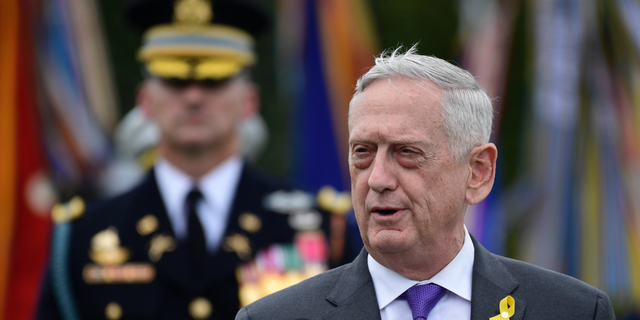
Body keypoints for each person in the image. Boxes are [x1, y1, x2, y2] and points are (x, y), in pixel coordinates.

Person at [235, 46, 616, 320]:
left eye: (407, 153)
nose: (378, 179)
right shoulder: (273, 317)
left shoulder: (573, 311)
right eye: (363, 152)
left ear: (478, 171)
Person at [36, 0, 330, 319]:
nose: (193, 97)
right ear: (145, 100)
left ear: (248, 101)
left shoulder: (320, 229)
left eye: (213, 80)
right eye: (174, 80)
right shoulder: (82, 237)